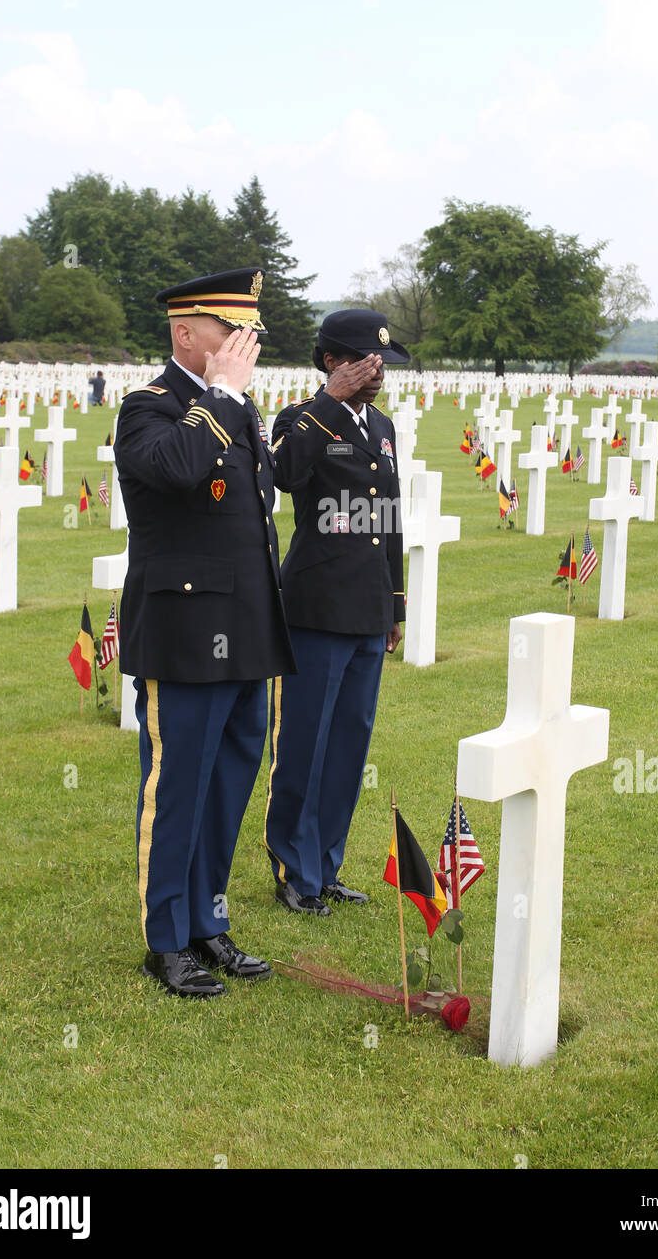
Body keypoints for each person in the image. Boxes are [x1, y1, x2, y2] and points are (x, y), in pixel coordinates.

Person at [114, 268, 294, 997]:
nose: (245, 345)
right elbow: (180, 472)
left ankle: (207, 920)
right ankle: (166, 940)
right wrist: (219, 396)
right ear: (185, 334)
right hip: (187, 628)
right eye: (232, 332)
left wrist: (230, 400)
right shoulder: (148, 408)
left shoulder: (238, 409)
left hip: (246, 626)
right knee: (179, 783)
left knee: (228, 783)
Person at [264, 309, 409, 915]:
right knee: (305, 742)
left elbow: (390, 517)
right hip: (317, 607)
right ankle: (292, 870)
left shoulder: (382, 427)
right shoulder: (300, 419)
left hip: (368, 609)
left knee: (350, 744)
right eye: (366, 362)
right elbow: (285, 474)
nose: (378, 373)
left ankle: (325, 866)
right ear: (331, 362)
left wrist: (396, 601)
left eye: (383, 363)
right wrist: (328, 403)